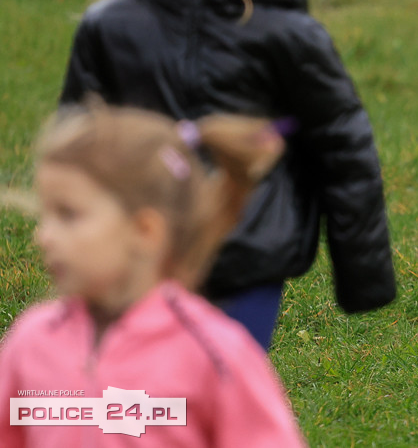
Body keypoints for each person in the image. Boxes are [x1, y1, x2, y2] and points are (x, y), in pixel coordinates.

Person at [58, 0, 396, 350]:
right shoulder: (109, 28)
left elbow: (343, 145)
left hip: (247, 255)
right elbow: (77, 138)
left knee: (220, 391)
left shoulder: (283, 35)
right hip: (142, 249)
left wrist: (364, 274)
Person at [0, 102, 308, 447]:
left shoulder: (214, 355)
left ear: (145, 231)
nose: (43, 235)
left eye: (68, 215)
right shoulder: (30, 343)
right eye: (46, 215)